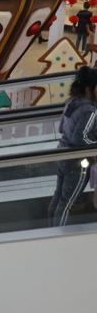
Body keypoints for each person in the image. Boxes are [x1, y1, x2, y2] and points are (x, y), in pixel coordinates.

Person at [49, 67, 97, 225]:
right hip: (77, 162)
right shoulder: (90, 111)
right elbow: (81, 138)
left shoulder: (72, 102)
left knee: (58, 196)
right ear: (91, 88)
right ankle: (57, 235)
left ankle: (50, 228)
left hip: (62, 153)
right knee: (67, 203)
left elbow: (62, 127)